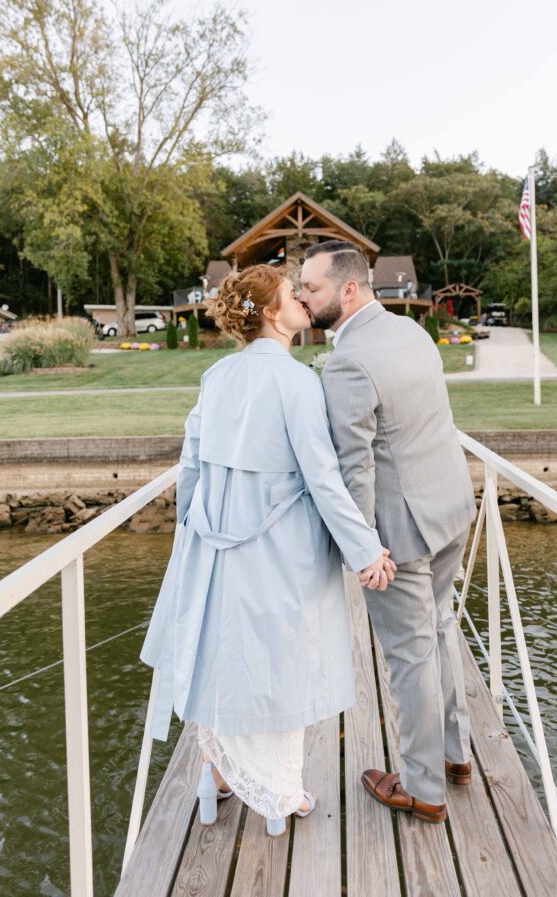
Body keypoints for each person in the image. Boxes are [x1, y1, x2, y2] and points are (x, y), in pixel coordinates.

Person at [140, 263, 393, 838]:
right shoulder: (298, 381)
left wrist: (191, 530)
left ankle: (218, 781)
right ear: (272, 315)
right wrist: (366, 553)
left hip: (215, 544)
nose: (304, 301)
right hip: (282, 546)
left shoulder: (216, 376)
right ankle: (279, 797)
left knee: (223, 657)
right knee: (281, 665)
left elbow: (192, 465)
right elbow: (324, 478)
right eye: (292, 296)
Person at [300, 240, 477, 824]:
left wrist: (363, 549)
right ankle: (455, 757)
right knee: (440, 627)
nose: (303, 297)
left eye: (312, 287)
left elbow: (356, 467)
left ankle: (424, 787)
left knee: (410, 654)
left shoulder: (349, 360)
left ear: (349, 290)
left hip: (404, 531)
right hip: (452, 507)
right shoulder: (411, 332)